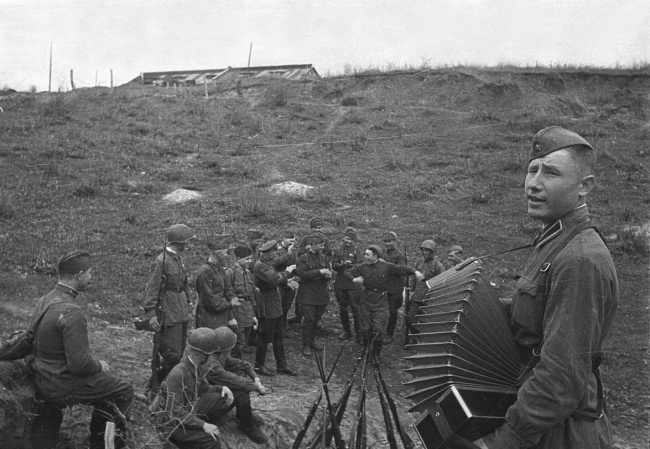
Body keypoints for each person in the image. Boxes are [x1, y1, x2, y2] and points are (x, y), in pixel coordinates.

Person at [474, 126, 619, 449]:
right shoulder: (554, 240)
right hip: (544, 421)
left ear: (584, 187)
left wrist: (500, 442)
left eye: (551, 173)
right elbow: (536, 314)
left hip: (561, 433)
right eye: (532, 170)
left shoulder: (579, 258)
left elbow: (561, 377)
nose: (534, 183)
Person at [29, 251, 134, 449]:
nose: (91, 277)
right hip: (60, 383)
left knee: (106, 385)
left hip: (43, 375)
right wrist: (100, 365)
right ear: (79, 275)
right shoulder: (71, 311)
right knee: (123, 390)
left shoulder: (45, 299)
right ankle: (102, 444)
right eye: (89, 273)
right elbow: (80, 365)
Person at [151, 327, 234, 449]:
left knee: (222, 397)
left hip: (187, 412)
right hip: (172, 425)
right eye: (209, 355)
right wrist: (203, 425)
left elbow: (204, 389)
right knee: (213, 441)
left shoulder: (196, 366)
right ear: (201, 354)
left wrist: (222, 388)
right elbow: (174, 411)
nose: (211, 357)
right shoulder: (179, 373)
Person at [345, 245, 424, 358]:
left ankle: (376, 355)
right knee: (365, 328)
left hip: (381, 302)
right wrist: (354, 279)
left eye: (367, 255)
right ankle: (367, 351)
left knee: (379, 329)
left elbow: (401, 269)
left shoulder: (386, 266)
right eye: (365, 254)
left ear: (375, 256)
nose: (365, 257)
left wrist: (415, 272)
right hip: (366, 301)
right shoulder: (362, 267)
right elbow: (347, 272)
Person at [143, 224, 195, 391]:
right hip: (168, 313)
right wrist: (151, 314)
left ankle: (166, 386)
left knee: (179, 353)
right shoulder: (161, 262)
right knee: (171, 355)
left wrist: (189, 301)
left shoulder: (178, 259)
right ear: (179, 242)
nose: (187, 244)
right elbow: (152, 289)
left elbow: (184, 283)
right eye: (186, 241)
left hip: (180, 311)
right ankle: (155, 385)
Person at [205, 327, 268, 444]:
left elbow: (243, 364)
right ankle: (247, 425)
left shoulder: (218, 355)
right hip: (204, 409)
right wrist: (258, 387)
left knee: (240, 372)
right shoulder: (212, 364)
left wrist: (256, 378)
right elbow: (236, 381)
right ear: (226, 348)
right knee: (240, 392)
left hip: (211, 393)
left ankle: (244, 414)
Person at [253, 240, 299, 376]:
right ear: (268, 253)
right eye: (274, 252)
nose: (276, 254)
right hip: (267, 304)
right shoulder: (260, 266)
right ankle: (258, 365)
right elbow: (273, 279)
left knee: (279, 334)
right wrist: (287, 272)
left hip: (274, 303)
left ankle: (281, 365)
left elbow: (274, 280)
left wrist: (286, 281)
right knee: (265, 336)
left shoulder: (267, 263)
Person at [296, 235, 332, 356]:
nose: (322, 247)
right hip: (308, 295)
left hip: (321, 295)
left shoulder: (323, 258)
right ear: (313, 245)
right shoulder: (303, 258)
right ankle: (306, 345)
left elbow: (328, 272)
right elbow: (302, 274)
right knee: (309, 320)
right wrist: (320, 272)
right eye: (320, 245)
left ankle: (312, 341)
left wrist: (328, 276)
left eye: (323, 245)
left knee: (316, 319)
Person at [195, 235, 242, 330]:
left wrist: (233, 297)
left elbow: (228, 288)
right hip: (209, 319)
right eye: (225, 252)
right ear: (217, 253)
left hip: (221, 316)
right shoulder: (204, 272)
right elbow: (210, 300)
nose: (226, 255)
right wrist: (230, 304)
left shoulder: (220, 269)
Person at [406, 240, 446, 343]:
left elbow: (442, 282)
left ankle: (425, 341)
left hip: (429, 299)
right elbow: (414, 277)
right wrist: (411, 289)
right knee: (410, 318)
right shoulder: (420, 262)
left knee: (426, 322)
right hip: (417, 296)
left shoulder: (438, 266)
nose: (425, 253)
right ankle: (415, 339)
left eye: (428, 251)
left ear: (432, 252)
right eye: (423, 250)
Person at [226, 245, 258, 358]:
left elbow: (251, 294)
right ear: (238, 258)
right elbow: (227, 296)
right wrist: (231, 317)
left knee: (245, 338)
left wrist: (253, 315)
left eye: (250, 258)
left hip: (248, 310)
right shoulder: (230, 273)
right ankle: (234, 363)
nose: (250, 261)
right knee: (238, 341)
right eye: (247, 259)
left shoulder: (248, 273)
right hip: (237, 311)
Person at [332, 227, 363, 342]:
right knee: (342, 308)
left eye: (351, 240)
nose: (349, 241)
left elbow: (360, 265)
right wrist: (342, 265)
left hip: (353, 285)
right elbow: (334, 265)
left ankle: (359, 333)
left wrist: (350, 266)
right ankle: (346, 331)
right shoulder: (338, 250)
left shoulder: (357, 250)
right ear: (343, 238)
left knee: (356, 309)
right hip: (341, 284)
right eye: (347, 239)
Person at [381, 231, 406, 345]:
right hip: (384, 286)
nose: (387, 244)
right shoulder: (382, 253)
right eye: (385, 241)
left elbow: (401, 270)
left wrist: (387, 266)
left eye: (389, 241)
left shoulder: (399, 255)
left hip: (395, 287)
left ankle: (389, 334)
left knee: (393, 311)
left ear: (395, 241)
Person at [274, 231, 299, 327]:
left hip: (290, 282)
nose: (292, 243)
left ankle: (282, 327)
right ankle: (276, 328)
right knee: (278, 308)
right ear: (284, 239)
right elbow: (276, 263)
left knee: (286, 307)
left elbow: (294, 264)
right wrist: (288, 254)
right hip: (279, 283)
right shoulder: (276, 249)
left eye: (293, 241)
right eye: (290, 241)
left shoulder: (292, 250)